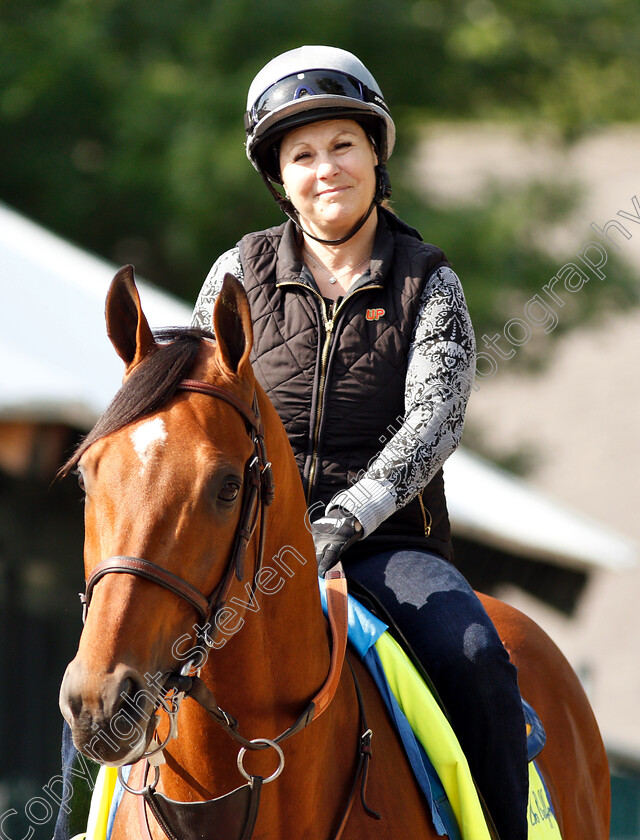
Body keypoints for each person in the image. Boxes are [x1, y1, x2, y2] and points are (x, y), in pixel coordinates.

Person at [191, 45, 529, 840]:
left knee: (478, 658)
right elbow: (196, 403)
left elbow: (435, 421)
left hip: (384, 545)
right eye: (302, 155)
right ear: (280, 177)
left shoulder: (429, 281)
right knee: (115, 664)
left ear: (376, 151)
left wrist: (344, 520)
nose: (326, 169)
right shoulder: (232, 276)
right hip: (246, 545)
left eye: (343, 144)